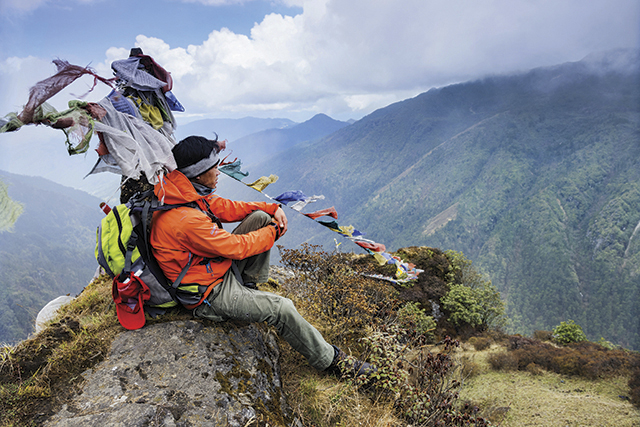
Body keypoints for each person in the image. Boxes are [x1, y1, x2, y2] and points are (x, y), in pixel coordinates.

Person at [150, 135, 374, 378]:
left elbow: (227, 207)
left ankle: (248, 286)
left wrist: (271, 208)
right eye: (214, 167)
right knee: (282, 309)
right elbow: (236, 247)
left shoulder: (185, 194)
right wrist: (275, 231)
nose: (218, 172)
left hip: (211, 270)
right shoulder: (186, 219)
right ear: (198, 173)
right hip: (207, 293)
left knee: (260, 219)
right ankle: (333, 362)